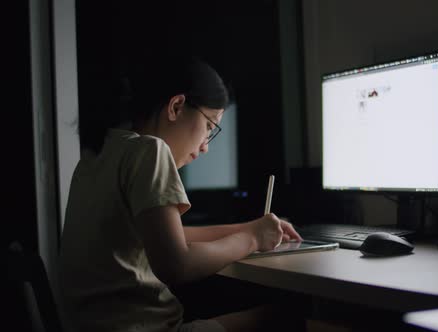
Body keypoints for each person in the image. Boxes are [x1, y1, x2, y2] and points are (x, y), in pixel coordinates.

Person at [59, 53, 304, 332]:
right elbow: (177, 264)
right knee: (287, 317)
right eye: (210, 126)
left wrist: (250, 228)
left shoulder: (98, 155)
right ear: (176, 106)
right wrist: (250, 239)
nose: (205, 146)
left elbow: (170, 238)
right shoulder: (149, 151)